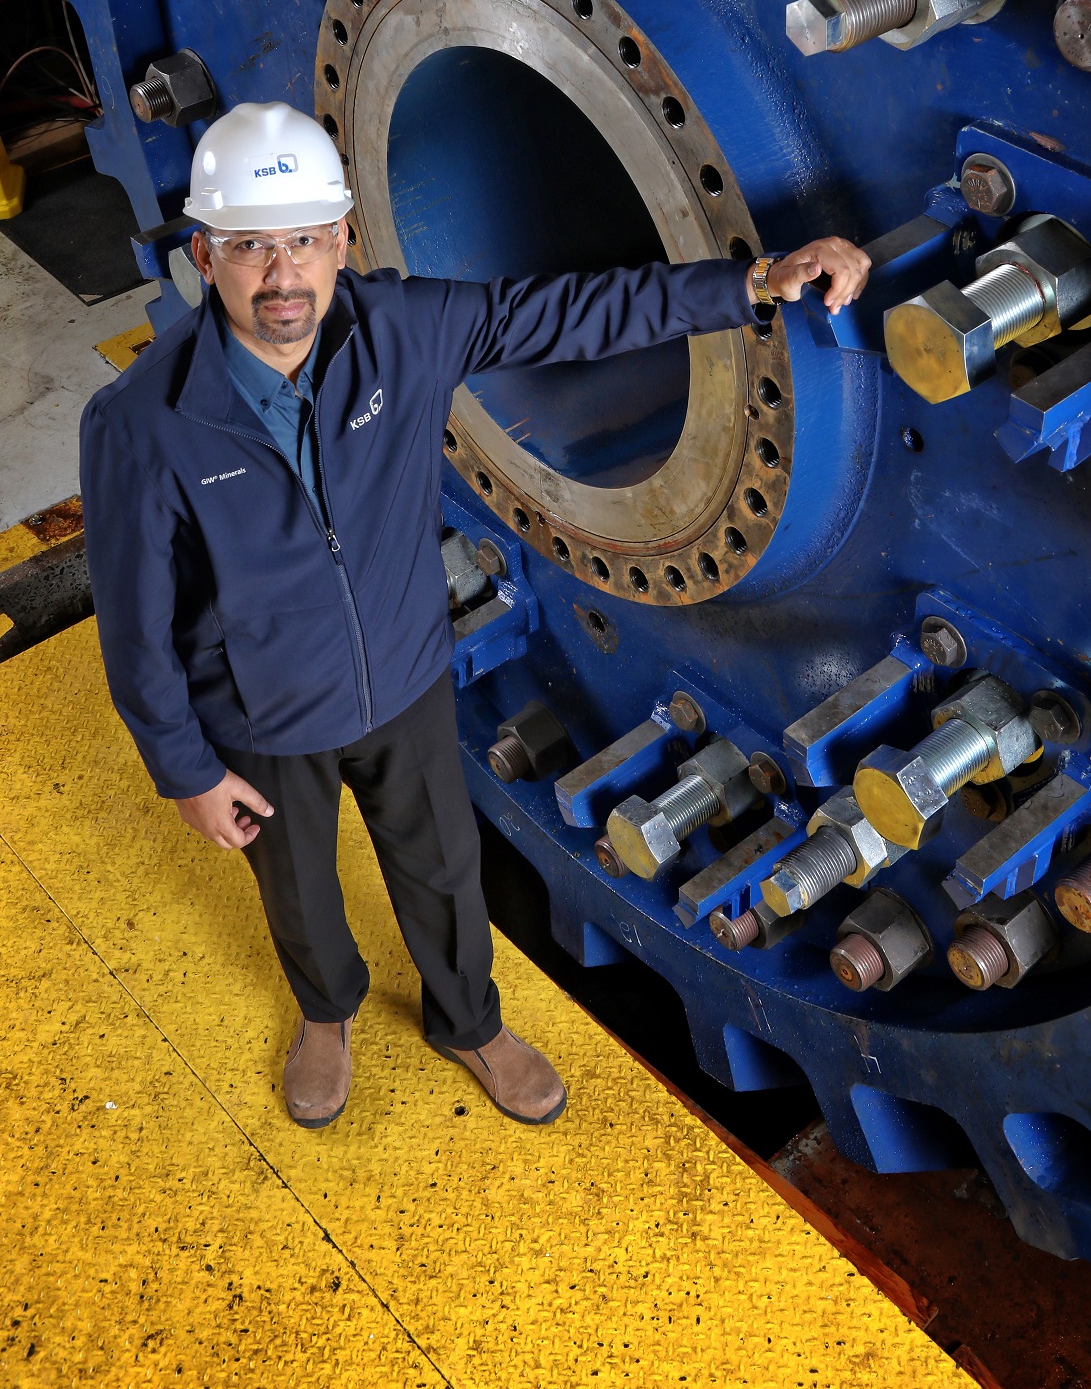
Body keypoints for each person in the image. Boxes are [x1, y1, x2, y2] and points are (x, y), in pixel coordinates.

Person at [80, 101, 870, 1130]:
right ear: (205, 253)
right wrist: (185, 769)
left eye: (308, 243)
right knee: (301, 892)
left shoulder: (402, 332)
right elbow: (135, 620)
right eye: (251, 249)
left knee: (443, 873)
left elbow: (571, 310)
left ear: (344, 241)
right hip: (259, 711)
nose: (284, 277)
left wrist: (753, 284)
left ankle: (470, 1022)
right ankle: (328, 1014)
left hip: (404, 680)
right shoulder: (145, 418)